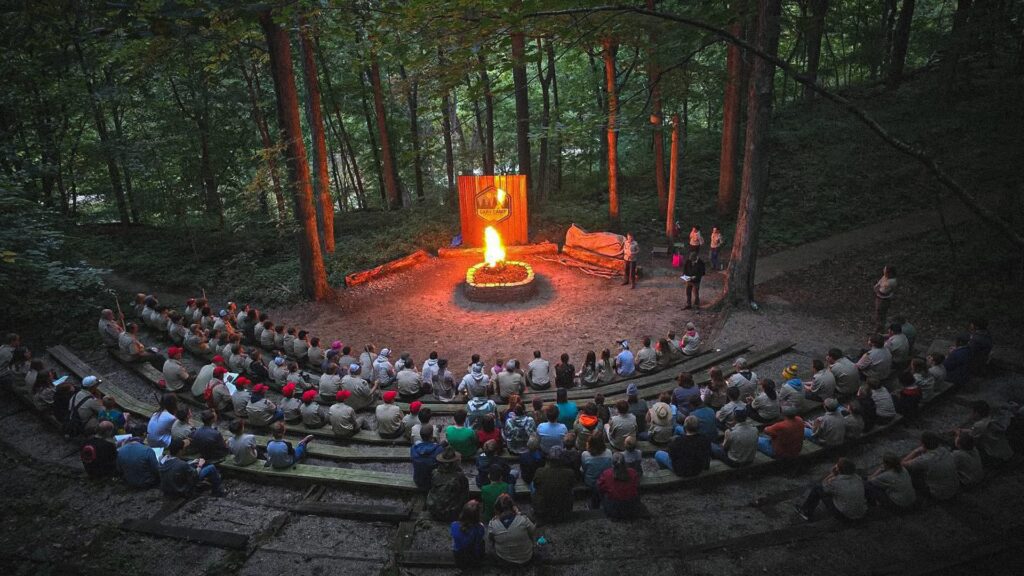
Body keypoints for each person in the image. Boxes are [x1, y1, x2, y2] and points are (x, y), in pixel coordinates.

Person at [796, 458, 866, 522]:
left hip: (845, 517)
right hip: (861, 513)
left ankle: (806, 511)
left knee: (817, 489)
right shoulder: (857, 478)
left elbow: (823, 484)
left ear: (838, 469)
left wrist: (832, 474)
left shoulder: (836, 482)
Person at [902, 431, 959, 500]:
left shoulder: (924, 459)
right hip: (955, 487)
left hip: (941, 494)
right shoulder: (944, 450)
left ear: (922, 444)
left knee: (912, 473)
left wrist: (916, 451)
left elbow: (903, 463)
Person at [160, 438, 225, 497]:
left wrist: (191, 463)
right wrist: (200, 465)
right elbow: (195, 475)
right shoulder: (182, 464)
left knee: (191, 462)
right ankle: (217, 491)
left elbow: (177, 465)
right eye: (184, 448)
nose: (185, 450)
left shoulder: (163, 459)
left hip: (168, 488)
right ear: (180, 451)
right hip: (181, 490)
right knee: (211, 467)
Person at [488, 493, 537, 565]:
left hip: (503, 560)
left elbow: (490, 539)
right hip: (526, 558)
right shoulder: (523, 520)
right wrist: (519, 514)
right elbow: (533, 532)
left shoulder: (492, 524)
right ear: (513, 507)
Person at [962, 400, 1014, 467]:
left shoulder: (978, 425)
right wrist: (964, 430)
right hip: (1007, 452)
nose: (970, 414)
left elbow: (970, 439)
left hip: (997, 457)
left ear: (976, 413)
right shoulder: (989, 420)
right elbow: (975, 431)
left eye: (971, 412)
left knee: (969, 448)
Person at [531, 445, 576, 523]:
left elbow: (535, 485)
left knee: (532, 485)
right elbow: (572, 485)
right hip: (563, 509)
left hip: (543, 509)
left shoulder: (540, 471)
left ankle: (535, 507)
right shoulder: (570, 472)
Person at [427, 446, 469, 522]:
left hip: (433, 509)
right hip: (451, 512)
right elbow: (465, 493)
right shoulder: (459, 476)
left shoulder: (434, 472)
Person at [450, 500, 486, 569]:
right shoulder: (480, 528)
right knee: (481, 542)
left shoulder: (454, 525)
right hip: (474, 557)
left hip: (458, 558)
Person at [411, 426, 445, 490]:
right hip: (433, 482)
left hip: (418, 480)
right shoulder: (439, 449)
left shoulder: (413, 448)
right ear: (432, 435)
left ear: (421, 436)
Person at [873, 265, 897, 331]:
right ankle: (878, 328)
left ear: (890, 273)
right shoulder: (886, 277)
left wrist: (878, 288)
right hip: (879, 298)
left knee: (881, 314)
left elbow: (883, 290)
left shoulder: (892, 281)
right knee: (878, 314)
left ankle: (880, 330)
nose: (884, 273)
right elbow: (878, 285)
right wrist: (877, 287)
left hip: (884, 299)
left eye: (886, 272)